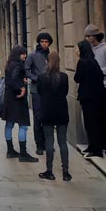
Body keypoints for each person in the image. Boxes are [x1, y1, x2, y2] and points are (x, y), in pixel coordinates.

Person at [0, 45, 38, 163]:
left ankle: (10, 150)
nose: (25, 56)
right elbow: (15, 78)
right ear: (17, 54)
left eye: (25, 53)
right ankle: (23, 153)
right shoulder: (18, 65)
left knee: (9, 124)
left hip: (9, 98)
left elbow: (11, 79)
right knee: (23, 126)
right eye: (23, 54)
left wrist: (22, 80)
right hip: (17, 99)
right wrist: (22, 88)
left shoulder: (9, 64)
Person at [37, 51, 72, 181]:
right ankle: (66, 172)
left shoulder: (42, 77)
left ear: (47, 62)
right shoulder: (64, 77)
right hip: (62, 112)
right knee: (63, 141)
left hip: (47, 112)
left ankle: (49, 170)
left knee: (49, 141)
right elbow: (65, 92)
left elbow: (40, 92)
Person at [74, 40, 105, 158]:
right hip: (97, 96)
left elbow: (77, 78)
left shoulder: (82, 62)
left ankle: (96, 149)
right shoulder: (94, 61)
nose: (76, 51)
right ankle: (93, 146)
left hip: (87, 96)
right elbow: (101, 75)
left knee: (90, 123)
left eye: (77, 48)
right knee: (94, 122)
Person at [85, 24, 106, 154]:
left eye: (88, 36)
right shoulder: (90, 50)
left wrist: (98, 71)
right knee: (96, 118)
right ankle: (99, 143)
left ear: (94, 36)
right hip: (94, 88)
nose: (87, 39)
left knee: (105, 117)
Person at [25, 32, 53, 156]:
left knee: (48, 117)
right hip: (37, 90)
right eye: (42, 41)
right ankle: (39, 144)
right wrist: (36, 78)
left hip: (50, 90)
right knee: (38, 117)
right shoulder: (32, 55)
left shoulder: (52, 55)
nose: (44, 44)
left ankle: (48, 143)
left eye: (46, 42)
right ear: (39, 42)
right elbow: (26, 70)